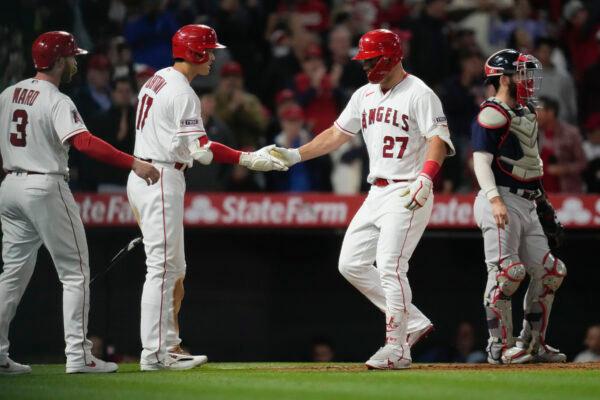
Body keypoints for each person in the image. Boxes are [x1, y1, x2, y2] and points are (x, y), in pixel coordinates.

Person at [273, 29, 455, 369]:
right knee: (351, 263)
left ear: (389, 57)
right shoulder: (364, 94)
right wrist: (295, 155)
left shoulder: (420, 93)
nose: (365, 65)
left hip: (408, 189)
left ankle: (397, 348)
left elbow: (438, 140)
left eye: (371, 59)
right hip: (376, 191)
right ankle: (412, 322)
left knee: (390, 266)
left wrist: (426, 179)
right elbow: (336, 134)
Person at [127, 24, 286, 372]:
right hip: (160, 175)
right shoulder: (183, 92)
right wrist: (247, 157)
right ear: (196, 53)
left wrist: (196, 150)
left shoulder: (157, 78)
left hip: (153, 171)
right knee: (163, 268)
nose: (214, 57)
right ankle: (154, 354)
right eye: (210, 51)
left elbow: (188, 145)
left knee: (174, 268)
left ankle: (168, 345)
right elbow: (203, 148)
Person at [0, 31, 159, 375]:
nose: (75, 62)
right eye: (72, 57)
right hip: (45, 184)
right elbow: (84, 142)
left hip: (10, 185)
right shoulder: (56, 100)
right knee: (75, 273)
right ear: (58, 61)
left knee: (11, 275)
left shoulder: (7, 94)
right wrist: (134, 162)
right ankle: (78, 355)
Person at [471, 49, 567, 365]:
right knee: (507, 273)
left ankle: (533, 344)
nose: (528, 80)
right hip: (499, 197)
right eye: (521, 74)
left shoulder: (525, 110)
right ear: (503, 78)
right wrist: (494, 199)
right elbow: (480, 161)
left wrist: (543, 202)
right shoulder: (491, 113)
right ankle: (498, 347)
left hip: (526, 200)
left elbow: (529, 162)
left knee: (551, 271)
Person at [536, 96, 586, 193]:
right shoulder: (534, 132)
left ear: (550, 112)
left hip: (566, 191)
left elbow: (582, 163)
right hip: (540, 193)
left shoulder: (571, 133)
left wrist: (564, 169)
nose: (535, 114)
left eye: (539, 111)